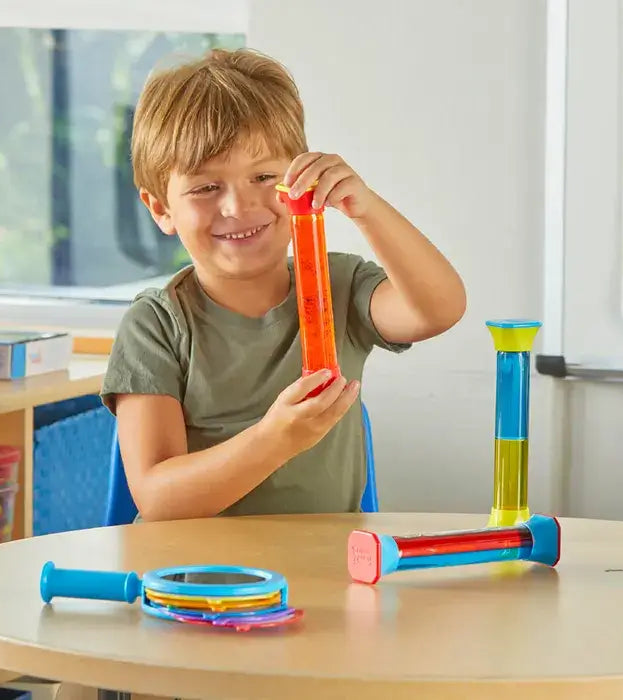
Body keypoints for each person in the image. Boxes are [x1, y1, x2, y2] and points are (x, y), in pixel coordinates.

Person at [100, 48, 466, 522]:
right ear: (160, 208)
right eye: (206, 188)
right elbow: (158, 499)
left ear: (297, 179)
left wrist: (366, 207)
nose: (239, 206)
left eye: (264, 176)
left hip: (325, 574)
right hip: (198, 585)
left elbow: (439, 310)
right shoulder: (156, 326)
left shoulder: (341, 286)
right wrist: (274, 441)